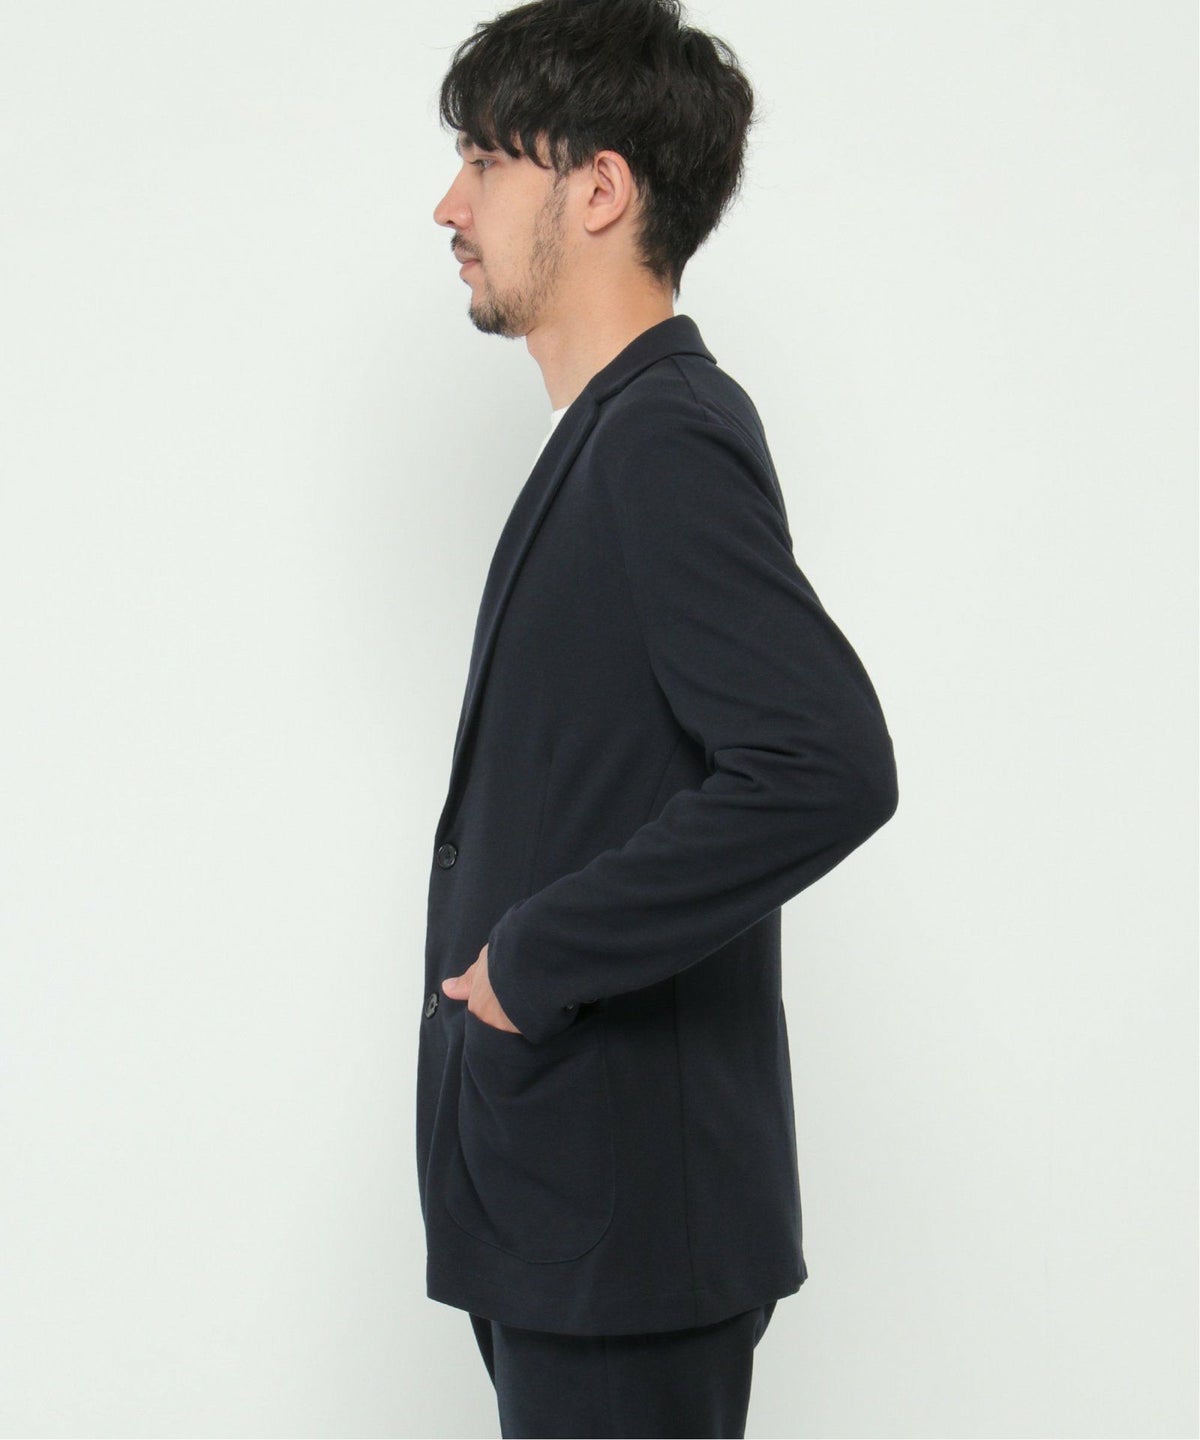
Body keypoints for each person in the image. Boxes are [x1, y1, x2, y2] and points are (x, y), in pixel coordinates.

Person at [419, 2, 899, 1435]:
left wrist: (534, 960)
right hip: (574, 1211)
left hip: (621, 1232)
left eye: (484, 162)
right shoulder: (613, 437)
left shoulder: (663, 438)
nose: (449, 207)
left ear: (599, 188)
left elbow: (826, 763)